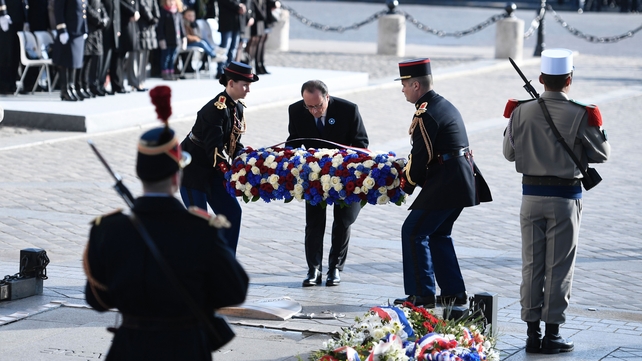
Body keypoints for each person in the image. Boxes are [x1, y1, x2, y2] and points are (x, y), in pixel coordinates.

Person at [84, 85, 249, 360]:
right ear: (177, 177)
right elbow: (234, 290)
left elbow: (97, 300)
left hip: (129, 347)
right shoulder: (201, 228)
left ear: (139, 173)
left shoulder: (109, 229)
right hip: (185, 347)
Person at [502, 49, 610, 354]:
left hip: (530, 197)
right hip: (565, 198)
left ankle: (531, 333)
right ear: (569, 80)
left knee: (531, 265)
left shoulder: (520, 111)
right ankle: (552, 334)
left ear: (540, 79)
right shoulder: (581, 113)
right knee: (559, 267)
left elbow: (509, 153)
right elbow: (602, 154)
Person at [392, 58, 492, 308]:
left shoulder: (426, 114)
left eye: (404, 84)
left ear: (416, 85)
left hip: (448, 181)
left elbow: (422, 155)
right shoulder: (439, 104)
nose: (402, 89)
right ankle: (453, 293)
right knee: (438, 233)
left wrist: (405, 184)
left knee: (413, 231)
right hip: (458, 178)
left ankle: (421, 295)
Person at [286, 80, 369, 287]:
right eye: (309, 106)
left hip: (344, 176)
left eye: (318, 106)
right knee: (313, 222)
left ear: (327, 98)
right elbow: (294, 142)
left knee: (343, 221)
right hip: (314, 178)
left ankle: (335, 269)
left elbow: (361, 144)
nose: (313, 111)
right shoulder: (296, 110)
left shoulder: (348, 110)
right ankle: (314, 269)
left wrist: (342, 164)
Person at [179, 61, 258, 254]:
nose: (248, 90)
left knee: (232, 213)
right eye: (244, 85)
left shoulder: (237, 107)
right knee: (199, 222)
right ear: (231, 83)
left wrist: (248, 156)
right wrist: (231, 172)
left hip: (213, 170)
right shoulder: (214, 110)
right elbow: (214, 150)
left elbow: (232, 142)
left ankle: (225, 261)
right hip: (193, 171)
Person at [52, 0, 88, 101]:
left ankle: (72, 88)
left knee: (75, 62)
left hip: (78, 31)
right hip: (68, 31)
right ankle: (65, 90)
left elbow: (83, 10)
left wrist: (84, 28)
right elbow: (58, 10)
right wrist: (62, 29)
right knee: (65, 61)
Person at [77, 0, 108, 98]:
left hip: (97, 30)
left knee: (91, 59)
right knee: (84, 60)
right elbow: (86, 8)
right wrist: (99, 19)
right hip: (89, 29)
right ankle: (81, 86)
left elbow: (102, 7)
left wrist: (105, 18)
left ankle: (88, 86)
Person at [0, 0, 29, 94]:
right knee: (6, 52)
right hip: (7, 16)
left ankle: (11, 83)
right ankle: (4, 84)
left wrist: (25, 18)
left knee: (15, 53)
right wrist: (2, 12)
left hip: (18, 16)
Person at [216, 0, 247, 79]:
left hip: (237, 22)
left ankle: (230, 70)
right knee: (224, 47)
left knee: (234, 48)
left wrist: (243, 6)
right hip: (226, 22)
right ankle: (220, 70)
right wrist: (238, 6)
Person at [157, 0, 185, 81]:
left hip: (176, 40)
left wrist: (183, 38)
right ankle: (165, 73)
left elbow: (181, 26)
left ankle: (171, 73)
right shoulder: (163, 12)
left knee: (173, 58)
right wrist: (161, 38)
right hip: (166, 40)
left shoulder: (178, 13)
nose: (171, 2)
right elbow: (160, 27)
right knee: (166, 57)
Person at [135, 0, 159, 91]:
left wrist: (156, 17)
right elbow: (143, 6)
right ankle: (137, 82)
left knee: (145, 57)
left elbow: (155, 7)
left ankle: (142, 81)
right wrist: (151, 18)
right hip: (141, 27)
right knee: (139, 57)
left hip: (150, 28)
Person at [96, 0, 119, 96]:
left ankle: (102, 84)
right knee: (100, 60)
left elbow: (117, 13)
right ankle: (98, 85)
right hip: (103, 30)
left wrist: (118, 29)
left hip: (112, 31)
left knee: (107, 61)